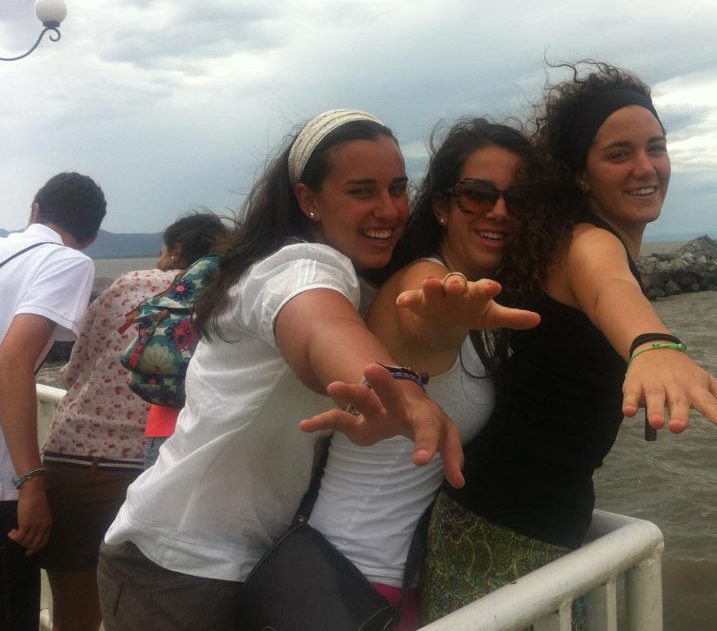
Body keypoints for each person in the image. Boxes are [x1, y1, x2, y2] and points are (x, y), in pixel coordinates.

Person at [420, 62, 717, 621]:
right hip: (501, 535)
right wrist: (653, 345)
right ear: (581, 175)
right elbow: (609, 289)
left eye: (655, 147)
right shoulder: (587, 242)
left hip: (519, 522)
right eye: (618, 154)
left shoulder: (571, 241)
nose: (644, 167)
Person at [97, 109, 466, 631]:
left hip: (252, 562)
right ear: (307, 199)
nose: (389, 208)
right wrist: (397, 387)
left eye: (398, 188)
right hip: (177, 566)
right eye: (361, 191)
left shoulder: (356, 280)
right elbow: (320, 329)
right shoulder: (294, 268)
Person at [305, 118, 539, 629]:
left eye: (518, 199)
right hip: (353, 580)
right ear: (441, 207)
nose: (499, 211)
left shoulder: (478, 303)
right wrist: (444, 313)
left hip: (393, 577)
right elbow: (425, 319)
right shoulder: (424, 282)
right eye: (477, 195)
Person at [38, 212, 225, 631]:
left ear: (176, 250)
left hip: (82, 458)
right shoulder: (228, 293)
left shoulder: (130, 284)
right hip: (165, 468)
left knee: (74, 610)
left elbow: (75, 368)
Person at [0, 172, 106, 630]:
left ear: (35, 211)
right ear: (92, 238)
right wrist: (31, 482)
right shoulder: (68, 262)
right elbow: (12, 361)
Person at [142, 212, 229, 468]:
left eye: (162, 252)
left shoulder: (172, 292)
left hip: (169, 425)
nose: (158, 262)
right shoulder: (231, 289)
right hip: (220, 427)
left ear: (176, 251)